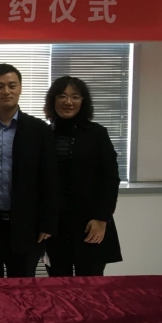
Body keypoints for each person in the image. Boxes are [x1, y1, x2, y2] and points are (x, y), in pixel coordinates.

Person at [0, 63, 60, 278]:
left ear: (20, 88)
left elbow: (50, 178)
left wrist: (47, 222)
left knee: (23, 288)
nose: (6, 91)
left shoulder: (39, 129)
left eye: (11, 85)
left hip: (26, 226)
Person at [42, 76, 122, 276]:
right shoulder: (43, 134)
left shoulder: (97, 134)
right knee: (58, 285)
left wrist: (101, 218)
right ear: (53, 100)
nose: (68, 102)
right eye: (62, 96)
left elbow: (110, 178)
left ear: (83, 101)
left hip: (90, 223)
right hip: (54, 226)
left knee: (90, 285)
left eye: (75, 97)